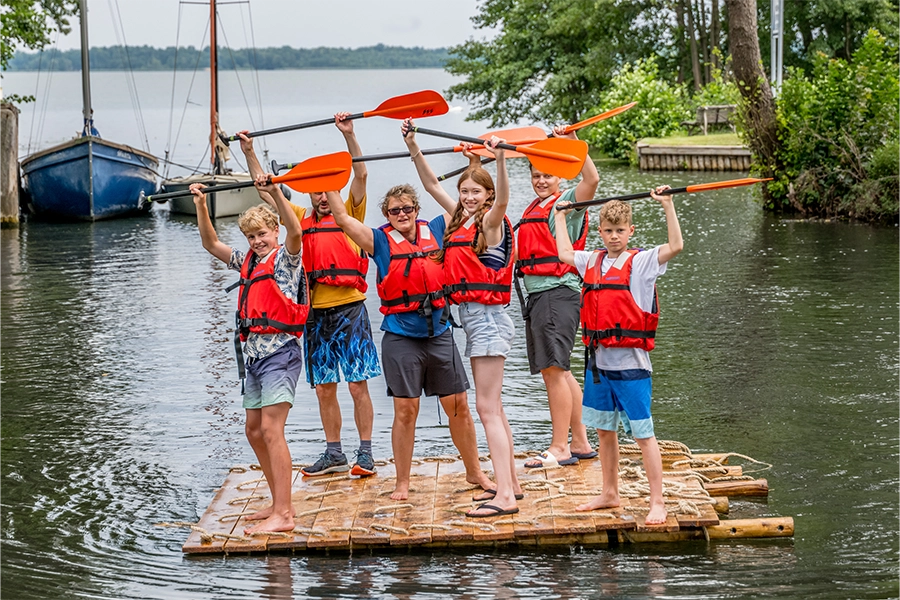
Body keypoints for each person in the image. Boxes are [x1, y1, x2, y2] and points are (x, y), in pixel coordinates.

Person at [323, 182, 494, 501]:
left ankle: (474, 471)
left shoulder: (439, 228)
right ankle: (402, 482)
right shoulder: (379, 240)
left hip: (440, 333)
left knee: (458, 406)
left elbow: (465, 206)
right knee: (406, 410)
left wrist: (471, 161)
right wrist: (327, 183)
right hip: (401, 337)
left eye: (408, 208)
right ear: (387, 215)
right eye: (394, 210)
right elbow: (343, 219)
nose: (402, 214)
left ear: (417, 210)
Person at [236, 113, 380, 478]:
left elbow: (360, 173)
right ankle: (335, 454)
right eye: (315, 190)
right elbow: (265, 190)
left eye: (326, 189)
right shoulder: (300, 216)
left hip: (350, 308)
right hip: (314, 315)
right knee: (324, 388)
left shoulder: (351, 212)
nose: (322, 197)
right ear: (307, 193)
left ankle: (365, 453)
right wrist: (249, 151)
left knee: (357, 383)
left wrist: (349, 134)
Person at [402, 119, 523, 518]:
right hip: (477, 318)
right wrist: (414, 146)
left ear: (487, 195)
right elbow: (432, 185)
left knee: (486, 408)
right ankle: (513, 485)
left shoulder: (491, 222)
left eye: (476, 192)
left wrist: (501, 159)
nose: (468, 197)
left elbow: (504, 201)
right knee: (497, 408)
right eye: (465, 192)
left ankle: (503, 496)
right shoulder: (461, 218)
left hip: (487, 319)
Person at [554, 187, 683, 525]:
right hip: (599, 367)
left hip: (632, 368)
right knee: (604, 433)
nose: (613, 237)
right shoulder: (591, 260)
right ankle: (610, 492)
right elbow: (565, 252)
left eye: (620, 231)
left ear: (630, 231)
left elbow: (676, 246)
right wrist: (560, 214)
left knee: (643, 435)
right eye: (608, 231)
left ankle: (658, 501)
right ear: (600, 232)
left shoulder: (641, 262)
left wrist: (667, 205)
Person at [190, 174, 307, 535]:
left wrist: (274, 193)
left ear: (274, 231)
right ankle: (276, 501)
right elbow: (211, 243)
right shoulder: (248, 261)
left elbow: (297, 231)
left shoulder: (287, 257)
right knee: (254, 430)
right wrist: (200, 204)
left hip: (280, 353)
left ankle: (284, 515)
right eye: (251, 236)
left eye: (262, 234)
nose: (257, 241)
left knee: (272, 430)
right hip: (254, 355)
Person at [515, 128, 600, 469]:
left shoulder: (566, 206)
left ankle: (559, 447)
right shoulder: (535, 206)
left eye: (547, 175)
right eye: (536, 175)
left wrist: (574, 142)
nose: (540, 181)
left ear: (559, 176)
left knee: (554, 370)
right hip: (540, 296)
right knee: (560, 372)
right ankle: (579, 443)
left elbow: (591, 180)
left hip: (556, 294)